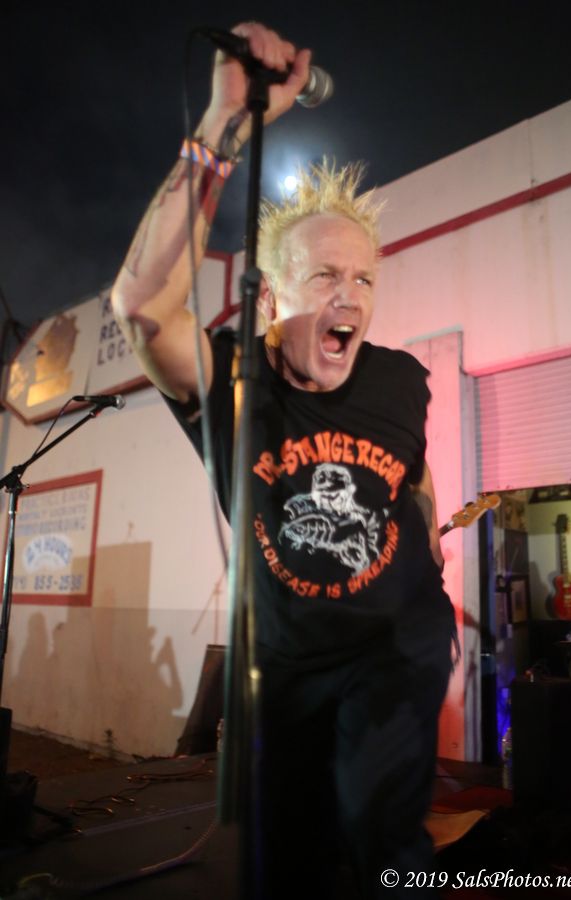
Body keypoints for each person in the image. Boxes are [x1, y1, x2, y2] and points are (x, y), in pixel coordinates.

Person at [112, 22, 456, 898]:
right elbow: (143, 306)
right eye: (326, 277)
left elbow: (412, 474)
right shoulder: (236, 381)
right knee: (286, 870)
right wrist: (222, 123)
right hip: (283, 669)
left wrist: (428, 541)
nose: (351, 296)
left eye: (364, 279)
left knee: (382, 838)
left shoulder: (400, 381)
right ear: (269, 296)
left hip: (391, 648)